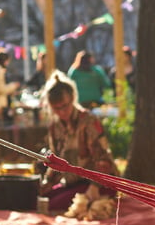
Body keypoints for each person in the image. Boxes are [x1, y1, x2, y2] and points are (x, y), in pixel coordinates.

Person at [39, 72, 119, 212]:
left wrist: (94, 186)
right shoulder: (54, 127)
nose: (62, 112)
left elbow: (103, 158)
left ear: (72, 99)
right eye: (57, 108)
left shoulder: (88, 121)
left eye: (65, 106)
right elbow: (56, 162)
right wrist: (46, 184)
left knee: (54, 205)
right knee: (42, 199)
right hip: (72, 183)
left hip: (98, 183)